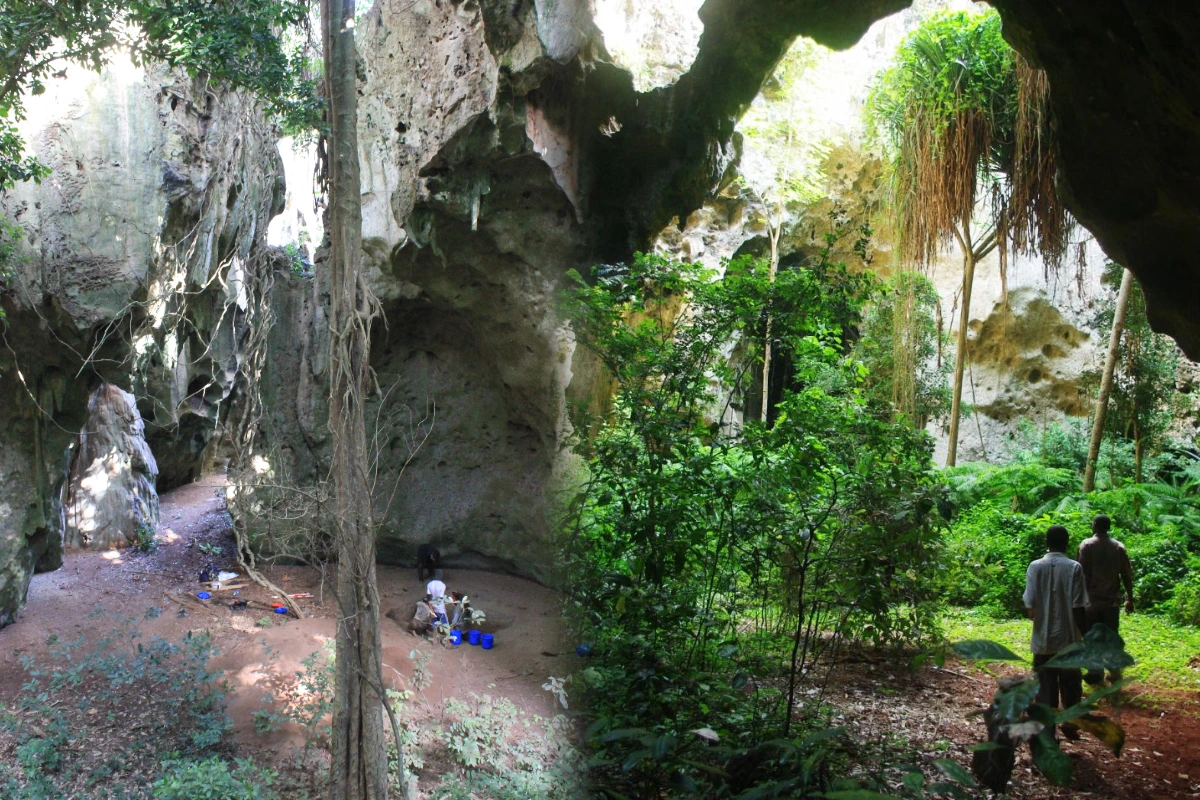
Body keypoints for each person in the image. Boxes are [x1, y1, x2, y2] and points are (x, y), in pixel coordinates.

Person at [1023, 524, 1088, 739]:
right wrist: (1086, 636)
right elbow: (1078, 606)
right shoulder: (1074, 568)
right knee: (1070, 684)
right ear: (1067, 543)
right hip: (1068, 639)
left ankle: (1047, 732)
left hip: (1043, 639)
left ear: (1046, 543)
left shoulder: (1035, 567)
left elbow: (1030, 604)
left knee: (1044, 688)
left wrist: (1040, 618)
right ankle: (1070, 722)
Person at [1077, 514, 1134, 684]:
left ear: (1094, 526)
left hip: (1091, 601)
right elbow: (1126, 575)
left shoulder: (1086, 545)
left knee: (1092, 636)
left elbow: (1081, 573)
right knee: (1111, 636)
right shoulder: (1118, 547)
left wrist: (1078, 598)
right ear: (1108, 528)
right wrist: (1130, 598)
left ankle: (1095, 671)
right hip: (1112, 602)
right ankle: (1115, 672)